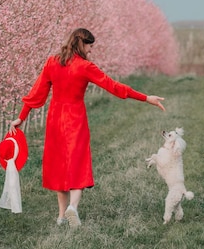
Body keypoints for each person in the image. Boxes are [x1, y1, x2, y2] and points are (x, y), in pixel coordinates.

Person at [9, 28, 165, 227]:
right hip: (75, 119)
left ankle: (61, 217)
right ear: (82, 43)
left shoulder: (52, 62)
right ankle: (73, 207)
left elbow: (36, 93)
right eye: (90, 46)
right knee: (78, 163)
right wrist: (145, 98)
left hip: (55, 119)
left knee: (59, 166)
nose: (91, 51)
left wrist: (21, 118)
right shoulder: (85, 67)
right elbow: (114, 86)